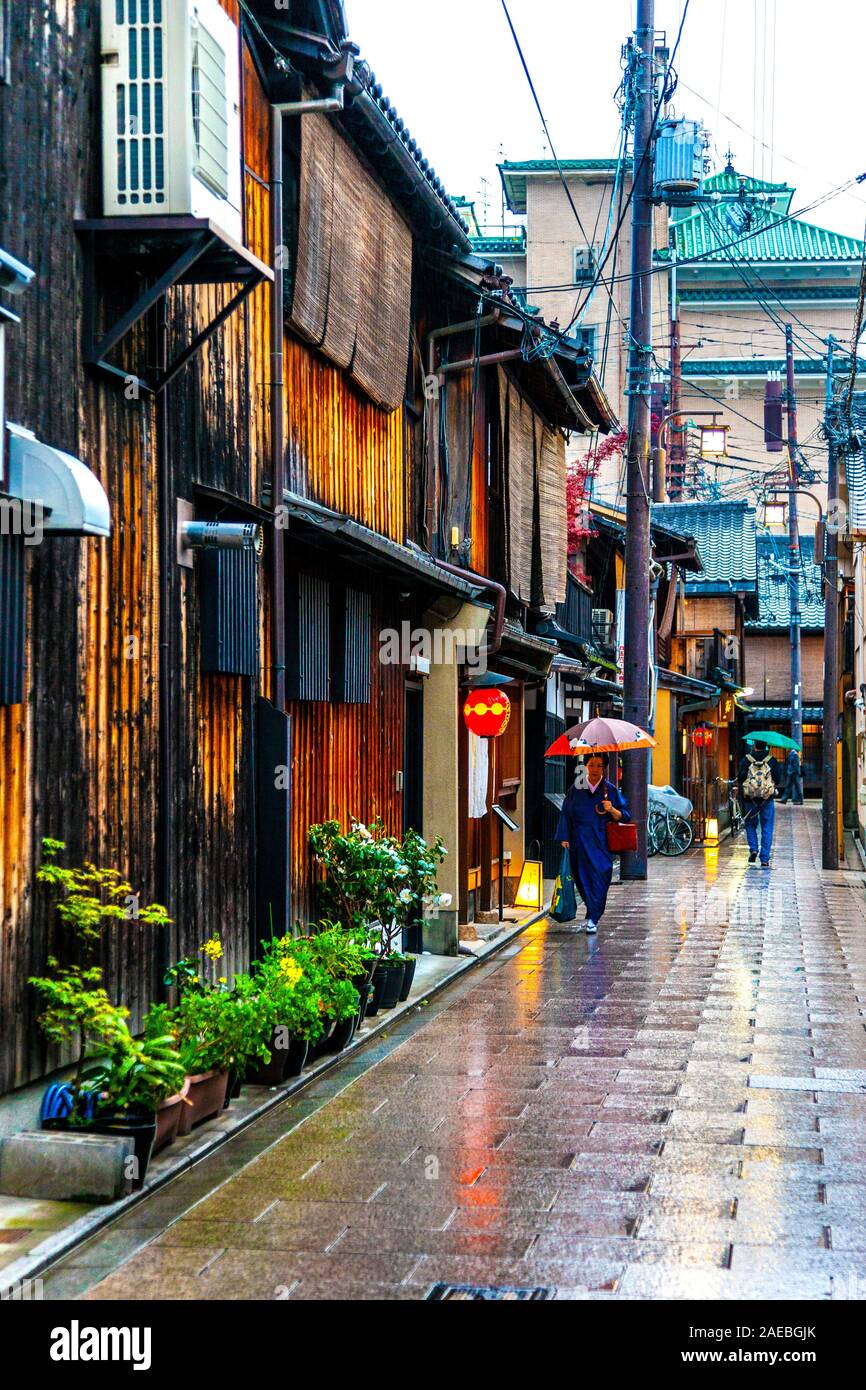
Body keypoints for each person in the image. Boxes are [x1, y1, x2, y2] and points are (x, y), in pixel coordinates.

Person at [556, 751, 630, 933]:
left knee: (601, 877)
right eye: (591, 765)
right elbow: (566, 814)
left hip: (601, 842)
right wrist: (564, 837)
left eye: (599, 766)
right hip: (579, 840)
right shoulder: (575, 790)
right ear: (585, 767)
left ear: (603, 768)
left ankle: (594, 917)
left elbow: (625, 816)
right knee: (581, 878)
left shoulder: (610, 790)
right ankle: (592, 914)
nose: (595, 769)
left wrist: (611, 809)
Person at [737, 740, 783, 868]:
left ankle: (753, 849)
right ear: (766, 746)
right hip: (767, 799)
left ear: (754, 746)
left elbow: (740, 778)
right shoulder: (772, 760)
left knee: (750, 824)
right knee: (767, 827)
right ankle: (765, 858)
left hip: (749, 799)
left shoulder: (746, 760)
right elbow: (778, 779)